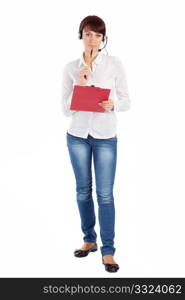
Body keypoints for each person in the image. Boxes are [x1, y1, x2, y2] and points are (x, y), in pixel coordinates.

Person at [61, 15, 131, 272]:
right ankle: (89, 240)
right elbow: (65, 110)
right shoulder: (71, 67)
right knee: (82, 191)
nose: (92, 40)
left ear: (103, 39)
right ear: (81, 35)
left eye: (98, 35)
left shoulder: (114, 64)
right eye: (88, 34)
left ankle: (109, 251)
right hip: (77, 136)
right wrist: (79, 84)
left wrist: (115, 104)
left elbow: (127, 101)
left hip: (105, 137)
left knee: (105, 194)